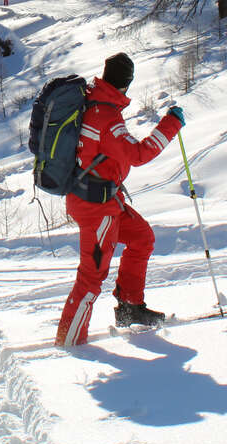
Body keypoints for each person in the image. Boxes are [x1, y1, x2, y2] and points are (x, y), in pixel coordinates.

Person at [55, 53, 184, 347]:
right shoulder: (107, 117)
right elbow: (139, 154)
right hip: (96, 209)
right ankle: (68, 344)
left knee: (142, 237)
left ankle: (129, 307)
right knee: (91, 278)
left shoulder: (92, 101)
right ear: (127, 83)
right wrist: (171, 124)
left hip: (102, 200)